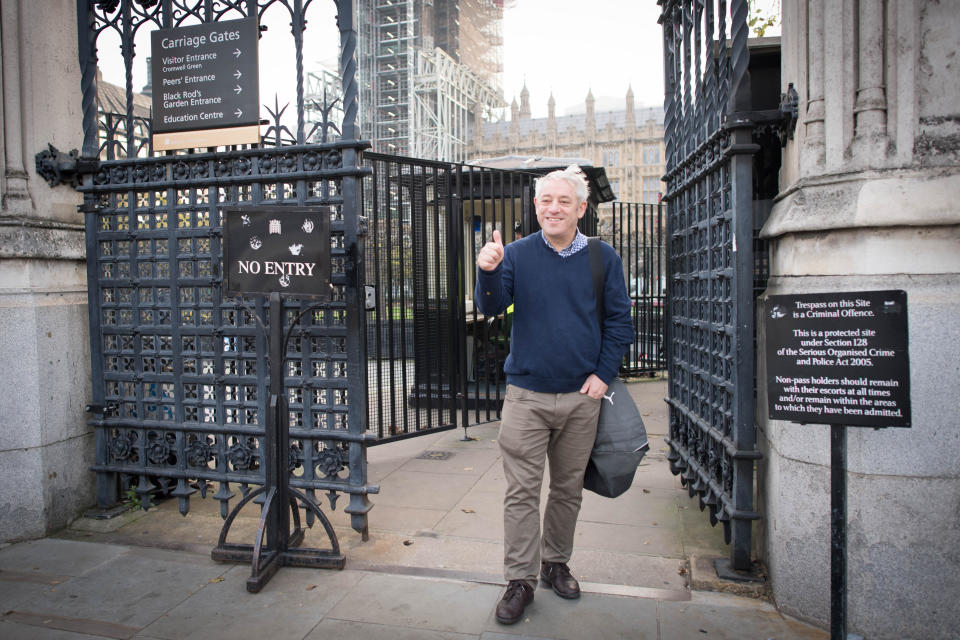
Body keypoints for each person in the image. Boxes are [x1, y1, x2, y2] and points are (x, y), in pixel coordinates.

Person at [474, 165, 633, 624]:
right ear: (537, 206)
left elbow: (620, 322)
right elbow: (490, 308)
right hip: (526, 395)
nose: (553, 208)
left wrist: (603, 375)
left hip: (582, 398)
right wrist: (488, 270)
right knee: (521, 492)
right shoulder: (518, 255)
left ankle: (555, 563)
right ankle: (519, 579)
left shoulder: (604, 258)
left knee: (566, 490)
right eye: (546, 201)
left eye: (563, 201)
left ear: (581, 208)